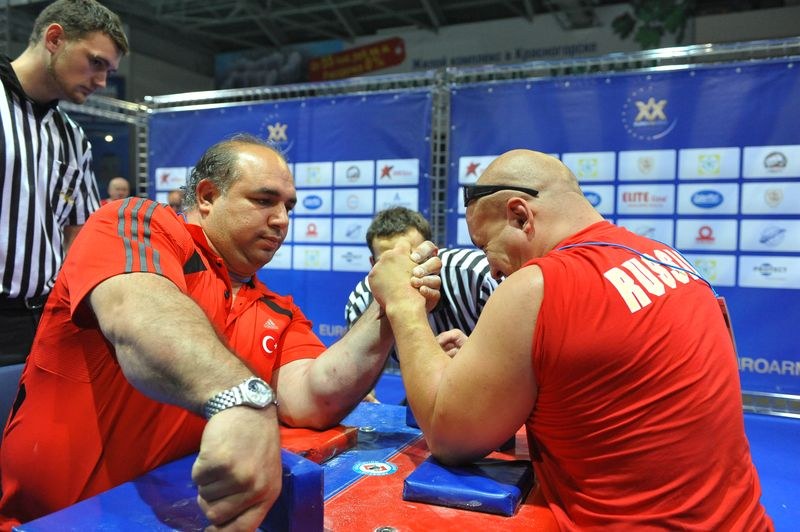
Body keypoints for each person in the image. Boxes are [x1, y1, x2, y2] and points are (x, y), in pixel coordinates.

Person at [0, 134, 441, 530]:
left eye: (288, 206)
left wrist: (388, 307)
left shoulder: (276, 308)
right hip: (50, 519)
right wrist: (242, 399)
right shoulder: (134, 223)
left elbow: (314, 397)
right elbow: (139, 316)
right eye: (265, 200)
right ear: (209, 196)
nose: (282, 219)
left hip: (172, 515)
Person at [368, 149, 773, 530]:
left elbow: (449, 439)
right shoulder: (670, 259)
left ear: (520, 215)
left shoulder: (537, 286)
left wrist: (403, 305)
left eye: (485, 246)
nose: (491, 271)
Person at [0, 0, 128, 367]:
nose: (102, 81)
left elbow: (77, 230)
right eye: (96, 62)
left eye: (109, 69)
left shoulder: (73, 138)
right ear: (55, 39)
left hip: (40, 323)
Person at [345, 207, 496, 402]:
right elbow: (359, 390)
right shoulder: (362, 304)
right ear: (373, 264)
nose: (405, 272)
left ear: (433, 254)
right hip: (426, 395)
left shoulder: (477, 277)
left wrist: (476, 362)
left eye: (413, 259)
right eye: (389, 263)